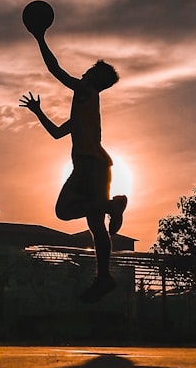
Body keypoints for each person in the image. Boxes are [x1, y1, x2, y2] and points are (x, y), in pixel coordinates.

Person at [19, 26, 127, 303]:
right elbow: (57, 133)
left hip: (89, 166)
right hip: (98, 166)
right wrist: (38, 111)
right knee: (96, 226)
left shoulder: (85, 91)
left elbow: (56, 70)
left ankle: (113, 205)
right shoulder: (86, 106)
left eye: (89, 70)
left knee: (64, 211)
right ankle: (103, 277)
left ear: (93, 77)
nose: (84, 72)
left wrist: (40, 38)